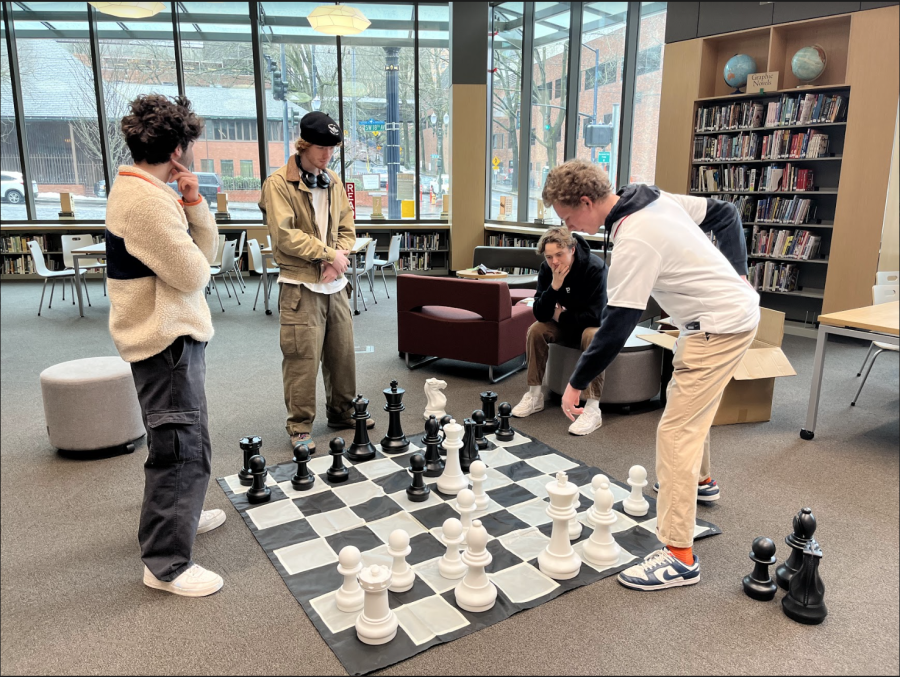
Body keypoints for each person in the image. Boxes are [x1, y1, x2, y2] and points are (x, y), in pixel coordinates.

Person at [543, 159, 759, 591]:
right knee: (690, 402)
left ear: (586, 202)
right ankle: (701, 481)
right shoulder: (650, 195)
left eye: (569, 218)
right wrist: (738, 272)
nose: (571, 229)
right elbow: (725, 213)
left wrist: (574, 384)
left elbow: (616, 325)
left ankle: (679, 555)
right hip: (725, 318)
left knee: (676, 432)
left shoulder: (635, 240)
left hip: (716, 327)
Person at [106, 94, 224, 597]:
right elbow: (198, 271)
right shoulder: (147, 201)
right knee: (178, 447)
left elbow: (205, 256)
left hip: (170, 332)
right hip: (165, 339)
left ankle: (182, 514)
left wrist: (194, 203)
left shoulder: (148, 192)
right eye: (190, 146)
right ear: (177, 149)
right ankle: (166, 564)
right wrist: (186, 211)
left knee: (187, 437)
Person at [259, 111, 372, 453]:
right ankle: (300, 426)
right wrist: (327, 255)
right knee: (302, 360)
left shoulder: (333, 180)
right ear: (304, 145)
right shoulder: (278, 183)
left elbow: (346, 227)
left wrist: (337, 260)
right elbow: (284, 236)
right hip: (300, 286)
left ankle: (342, 411)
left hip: (335, 285)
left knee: (342, 356)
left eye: (333, 148)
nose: (327, 155)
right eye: (322, 147)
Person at [512, 225, 608, 436]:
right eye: (549, 257)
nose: (554, 261)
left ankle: (593, 408)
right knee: (536, 330)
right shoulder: (548, 270)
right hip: (567, 326)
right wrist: (554, 287)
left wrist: (560, 315)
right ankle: (534, 395)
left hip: (588, 326)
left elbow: (595, 316)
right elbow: (539, 312)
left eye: (559, 254)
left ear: (572, 250)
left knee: (592, 335)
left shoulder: (594, 268)